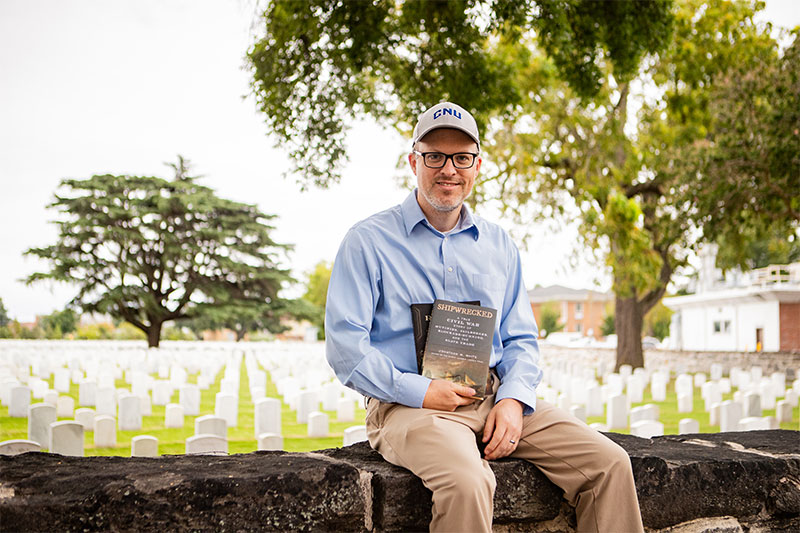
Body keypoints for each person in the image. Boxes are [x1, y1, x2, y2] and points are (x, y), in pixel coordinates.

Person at [325, 101, 643, 533]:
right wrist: (421, 390)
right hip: (408, 407)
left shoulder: (499, 244)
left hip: (493, 397)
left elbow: (521, 339)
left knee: (609, 464)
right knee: (469, 481)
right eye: (435, 156)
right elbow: (347, 350)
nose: (448, 170)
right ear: (413, 160)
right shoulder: (367, 242)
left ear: (477, 165)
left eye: (461, 157)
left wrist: (513, 398)